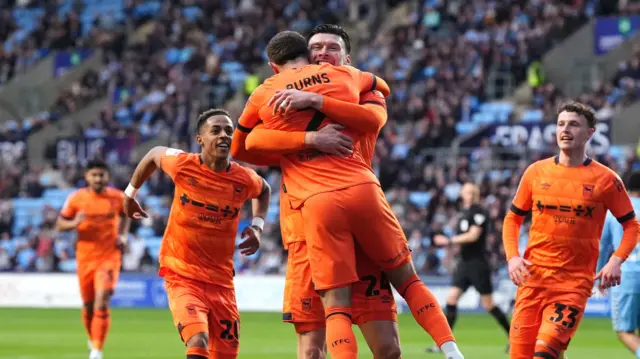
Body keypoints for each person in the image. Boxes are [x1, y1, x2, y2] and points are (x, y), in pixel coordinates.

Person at [232, 30, 462, 359]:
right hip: (309, 226)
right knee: (312, 348)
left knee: (387, 347)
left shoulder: (351, 89)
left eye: (332, 48)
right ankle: (452, 350)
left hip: (330, 208)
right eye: (316, 48)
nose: (324, 53)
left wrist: (313, 103)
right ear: (307, 57)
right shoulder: (348, 79)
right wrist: (310, 138)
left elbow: (372, 118)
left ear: (347, 57)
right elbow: (252, 146)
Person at [122, 109, 271, 359]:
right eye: (215, 131)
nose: (224, 135)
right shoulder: (183, 164)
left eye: (228, 131)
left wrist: (257, 226)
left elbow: (264, 190)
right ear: (199, 139)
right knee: (198, 340)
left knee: (224, 354)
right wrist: (129, 194)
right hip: (182, 274)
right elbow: (153, 154)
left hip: (221, 282)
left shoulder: (243, 178)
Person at [503, 101, 640, 359]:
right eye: (561, 124)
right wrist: (512, 257)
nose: (565, 129)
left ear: (589, 133)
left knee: (545, 352)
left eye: (574, 124)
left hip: (572, 284)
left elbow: (632, 225)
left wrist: (615, 260)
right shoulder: (535, 172)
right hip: (532, 281)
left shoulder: (607, 180)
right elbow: (512, 219)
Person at [56, 158, 131, 359]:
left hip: (109, 257)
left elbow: (126, 214)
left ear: (107, 177)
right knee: (89, 305)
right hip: (85, 258)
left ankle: (97, 351)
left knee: (102, 300)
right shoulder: (76, 199)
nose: (98, 179)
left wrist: (123, 235)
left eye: (101, 175)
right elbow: (59, 224)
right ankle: (93, 339)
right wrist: (74, 224)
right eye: (94, 175)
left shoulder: (117, 197)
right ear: (86, 177)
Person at [428, 182, 511, 354]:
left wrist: (449, 241)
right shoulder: (462, 213)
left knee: (489, 305)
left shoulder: (479, 212)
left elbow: (473, 236)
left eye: (473, 192)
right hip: (464, 263)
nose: (470, 195)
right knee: (451, 299)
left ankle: (514, 338)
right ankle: (444, 344)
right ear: (462, 194)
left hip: (478, 263)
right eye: (467, 192)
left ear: (477, 194)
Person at [597, 171, 640, 358]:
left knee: (625, 331)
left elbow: (602, 246)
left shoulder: (615, 212)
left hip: (626, 277)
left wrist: (599, 273)